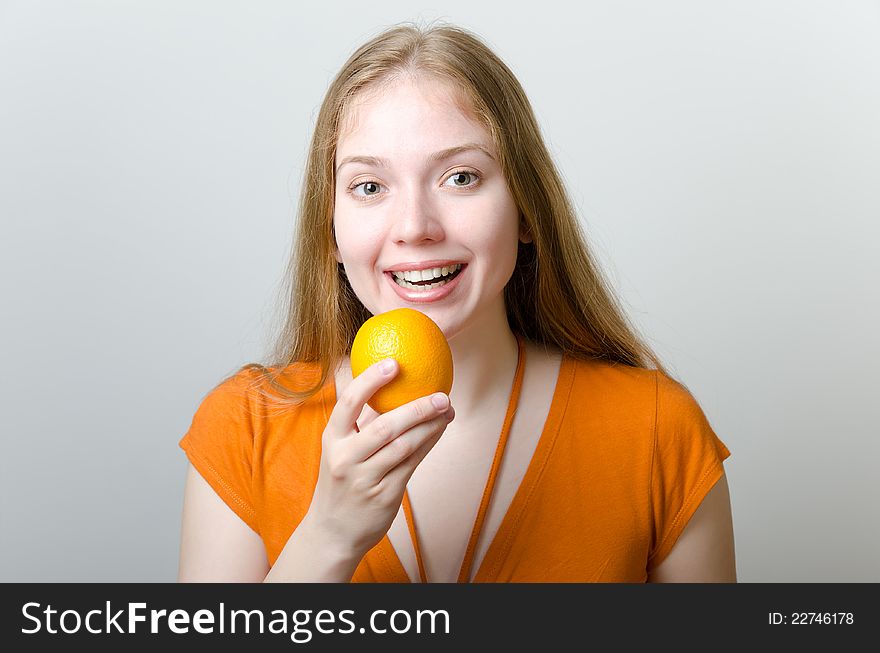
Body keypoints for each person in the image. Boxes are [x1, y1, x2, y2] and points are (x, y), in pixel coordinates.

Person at [177, 22, 735, 583]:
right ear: (331, 231)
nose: (416, 227)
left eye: (461, 177)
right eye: (370, 187)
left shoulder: (658, 429)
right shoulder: (245, 428)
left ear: (527, 210)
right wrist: (327, 538)